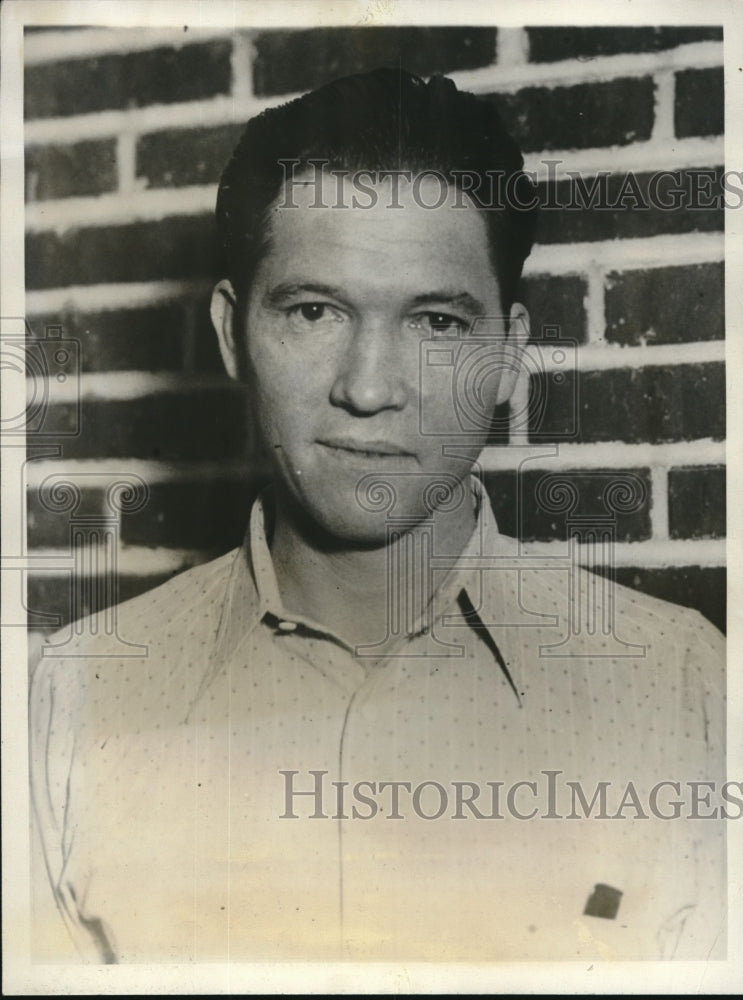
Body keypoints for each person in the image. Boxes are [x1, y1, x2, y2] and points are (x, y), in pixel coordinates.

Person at [29, 67, 726, 964]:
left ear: (509, 356)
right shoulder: (72, 699)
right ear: (230, 333)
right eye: (314, 310)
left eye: (435, 323)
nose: (367, 388)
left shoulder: (682, 691)